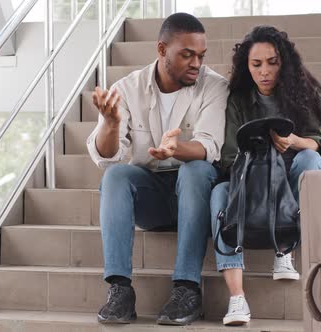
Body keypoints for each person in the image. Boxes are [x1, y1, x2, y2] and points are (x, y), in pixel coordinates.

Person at [86, 13, 228, 325]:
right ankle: (120, 290)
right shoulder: (127, 88)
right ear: (162, 50)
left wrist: (177, 149)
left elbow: (209, 146)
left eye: (201, 56)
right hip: (150, 195)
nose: (196, 64)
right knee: (115, 176)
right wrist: (110, 124)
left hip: (193, 193)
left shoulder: (214, 86)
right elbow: (108, 157)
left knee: (197, 169)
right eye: (187, 54)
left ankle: (187, 288)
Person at [210, 25, 321, 326]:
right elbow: (228, 155)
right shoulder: (238, 99)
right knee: (217, 194)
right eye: (256, 64)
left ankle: (285, 246)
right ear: (247, 66)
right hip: (249, 180)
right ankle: (237, 298)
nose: (264, 71)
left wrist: (292, 142)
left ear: (284, 63)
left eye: (272, 62)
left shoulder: (304, 91)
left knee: (308, 159)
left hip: (290, 183)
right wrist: (260, 154)